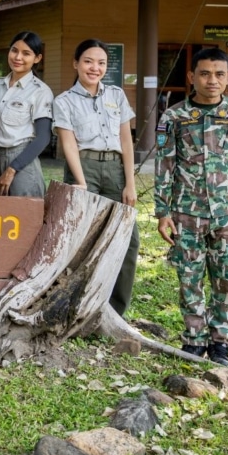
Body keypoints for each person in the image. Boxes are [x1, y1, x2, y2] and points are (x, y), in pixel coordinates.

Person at [154, 47, 228, 366]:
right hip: (186, 217)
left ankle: (220, 343)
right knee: (189, 279)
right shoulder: (174, 117)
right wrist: (162, 212)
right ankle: (193, 340)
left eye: (219, 74)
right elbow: (165, 166)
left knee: (225, 281)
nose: (211, 80)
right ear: (191, 77)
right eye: (204, 73)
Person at [53, 39, 139, 316]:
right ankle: (76, 305)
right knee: (81, 240)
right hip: (84, 167)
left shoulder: (117, 95)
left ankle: (115, 311)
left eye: (101, 63)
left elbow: (126, 140)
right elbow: (68, 143)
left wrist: (130, 183)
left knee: (128, 239)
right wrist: (81, 181)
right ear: (76, 63)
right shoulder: (64, 100)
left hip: (115, 170)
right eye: (89, 61)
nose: (95, 67)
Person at [0, 31, 54, 198]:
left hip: (22, 161)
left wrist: (12, 169)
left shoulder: (41, 91)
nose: (18, 57)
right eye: (14, 50)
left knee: (25, 218)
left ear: (37, 58)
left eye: (26, 53)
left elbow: (43, 137)